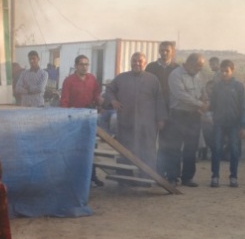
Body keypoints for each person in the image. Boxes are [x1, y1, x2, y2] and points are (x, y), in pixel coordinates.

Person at [103, 52, 167, 173]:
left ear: (145, 63)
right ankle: (125, 178)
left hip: (147, 123)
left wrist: (160, 119)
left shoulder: (152, 79)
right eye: (134, 61)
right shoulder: (121, 78)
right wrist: (113, 100)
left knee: (147, 149)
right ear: (131, 62)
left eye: (139, 61)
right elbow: (109, 90)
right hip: (126, 120)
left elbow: (160, 100)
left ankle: (146, 177)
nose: (136, 63)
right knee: (125, 149)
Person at [162, 53, 208, 187]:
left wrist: (205, 101)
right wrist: (200, 104)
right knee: (174, 147)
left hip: (194, 116)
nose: (200, 69)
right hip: (178, 115)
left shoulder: (199, 76)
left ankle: (187, 177)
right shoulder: (176, 75)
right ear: (190, 63)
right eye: (198, 65)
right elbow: (181, 95)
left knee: (191, 148)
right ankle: (172, 177)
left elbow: (203, 92)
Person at [60, 55, 104, 186]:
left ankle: (92, 176)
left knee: (91, 148)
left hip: (90, 118)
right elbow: (64, 100)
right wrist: (64, 117)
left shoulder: (92, 79)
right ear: (76, 66)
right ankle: (73, 178)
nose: (84, 67)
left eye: (86, 64)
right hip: (74, 119)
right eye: (81, 64)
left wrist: (100, 102)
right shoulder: (69, 81)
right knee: (74, 149)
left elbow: (97, 95)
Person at [209, 60, 245, 188]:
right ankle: (215, 176)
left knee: (234, 150)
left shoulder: (239, 86)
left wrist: (243, 126)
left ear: (232, 70)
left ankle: (234, 177)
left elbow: (243, 107)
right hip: (219, 122)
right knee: (217, 149)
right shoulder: (216, 86)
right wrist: (210, 116)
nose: (224, 74)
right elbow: (212, 105)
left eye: (227, 71)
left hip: (234, 123)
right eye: (222, 71)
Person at [145, 41, 180, 177]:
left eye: (167, 50)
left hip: (172, 111)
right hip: (152, 110)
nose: (164, 53)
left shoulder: (177, 69)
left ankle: (172, 175)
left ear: (173, 52)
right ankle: (153, 173)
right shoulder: (151, 68)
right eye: (162, 50)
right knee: (150, 143)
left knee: (170, 144)